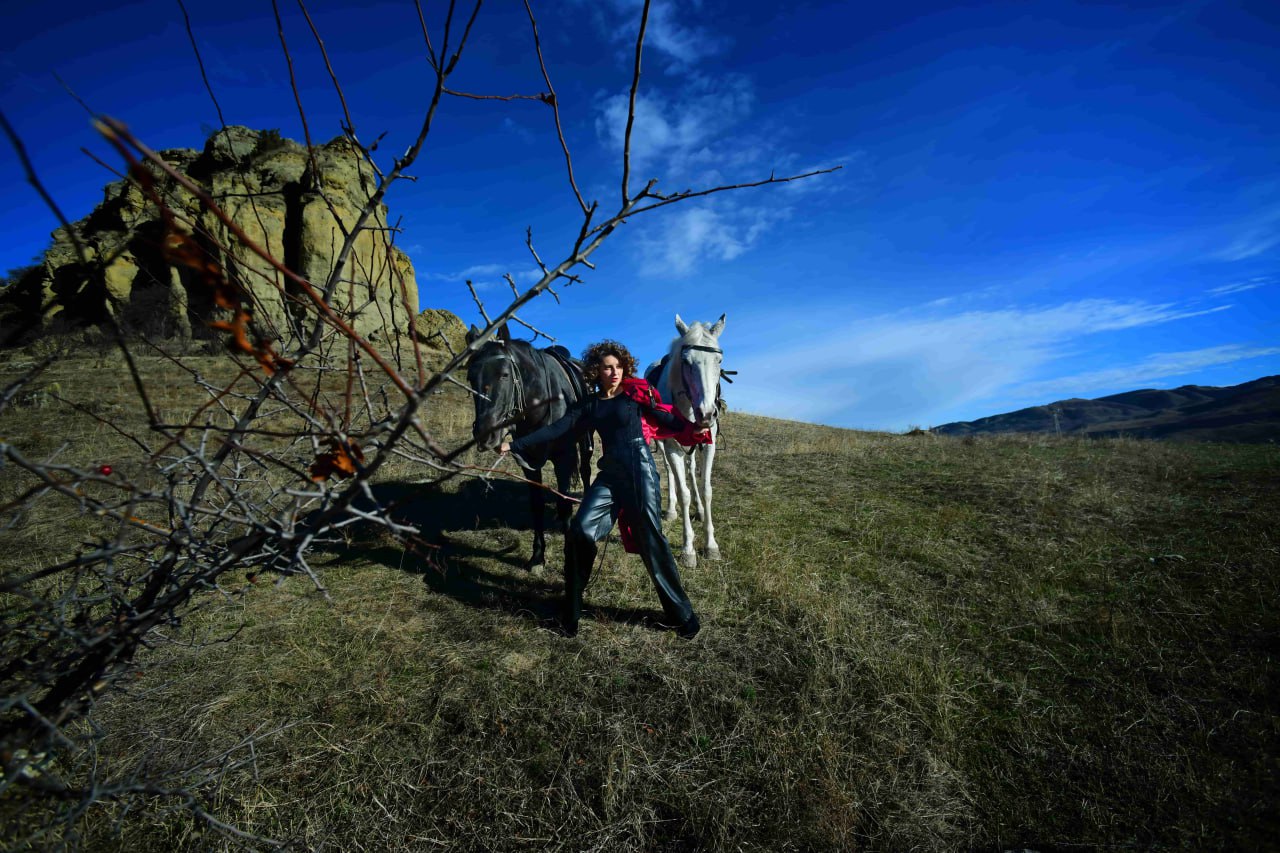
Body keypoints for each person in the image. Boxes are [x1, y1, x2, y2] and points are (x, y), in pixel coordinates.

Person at [500, 339, 711, 638]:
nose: (613, 372)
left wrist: (694, 429)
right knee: (580, 530)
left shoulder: (635, 396)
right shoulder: (591, 404)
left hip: (640, 471)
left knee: (651, 540)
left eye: (618, 367)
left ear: (625, 368)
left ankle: (683, 617)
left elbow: (667, 419)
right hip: (610, 474)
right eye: (606, 368)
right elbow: (557, 429)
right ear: (596, 372)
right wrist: (515, 444)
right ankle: (570, 615)